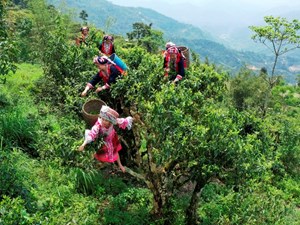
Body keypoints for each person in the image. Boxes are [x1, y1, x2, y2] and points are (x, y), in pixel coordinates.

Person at [78, 105, 133, 173]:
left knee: (115, 151)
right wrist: (83, 144)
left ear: (110, 122)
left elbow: (123, 121)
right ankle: (92, 165)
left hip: (111, 137)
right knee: (98, 152)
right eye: (103, 119)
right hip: (101, 139)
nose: (103, 121)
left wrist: (132, 119)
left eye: (106, 120)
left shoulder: (113, 121)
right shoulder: (98, 125)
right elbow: (92, 134)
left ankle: (120, 165)